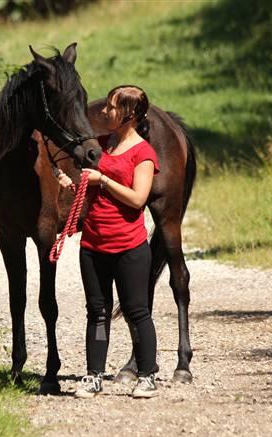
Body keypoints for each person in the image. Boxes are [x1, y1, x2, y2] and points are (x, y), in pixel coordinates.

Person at [57, 85, 160, 399]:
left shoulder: (143, 153)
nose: (104, 112)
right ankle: (94, 375)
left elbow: (137, 199)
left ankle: (147, 375)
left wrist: (104, 179)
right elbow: (90, 193)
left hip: (129, 246)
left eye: (111, 107)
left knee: (136, 311)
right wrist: (71, 186)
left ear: (129, 114)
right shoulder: (100, 146)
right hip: (93, 244)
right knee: (96, 312)